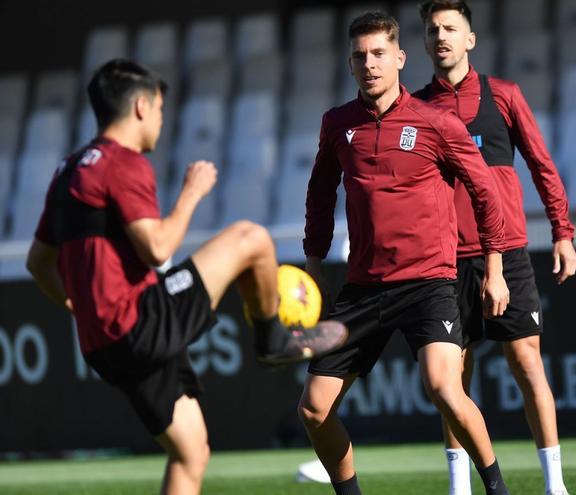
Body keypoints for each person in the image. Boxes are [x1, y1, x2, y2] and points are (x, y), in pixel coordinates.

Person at [25, 59, 346, 495]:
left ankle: (272, 339)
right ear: (140, 107)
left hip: (102, 344)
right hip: (139, 323)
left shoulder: (69, 170)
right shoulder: (123, 163)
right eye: (159, 108)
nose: (161, 118)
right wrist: (192, 193)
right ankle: (272, 340)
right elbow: (156, 247)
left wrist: (76, 305)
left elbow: (38, 263)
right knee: (250, 237)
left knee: (191, 452)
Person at [298, 11, 512, 495]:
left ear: (399, 58)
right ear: (350, 64)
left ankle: (498, 489)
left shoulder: (437, 122)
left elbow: (485, 192)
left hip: (429, 283)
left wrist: (494, 269)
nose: (369, 64)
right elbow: (319, 196)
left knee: (444, 388)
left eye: (378, 54)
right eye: (359, 56)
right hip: (363, 288)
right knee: (313, 408)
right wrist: (313, 268)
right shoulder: (337, 125)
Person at [412, 2, 576, 494]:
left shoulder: (503, 96)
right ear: (423, 42)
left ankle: (555, 486)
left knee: (527, 364)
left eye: (450, 28)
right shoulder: (416, 109)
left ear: (470, 39)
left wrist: (563, 233)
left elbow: (542, 166)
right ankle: (460, 488)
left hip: (507, 251)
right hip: (444, 261)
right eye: (432, 29)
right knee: (452, 378)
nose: (440, 36)